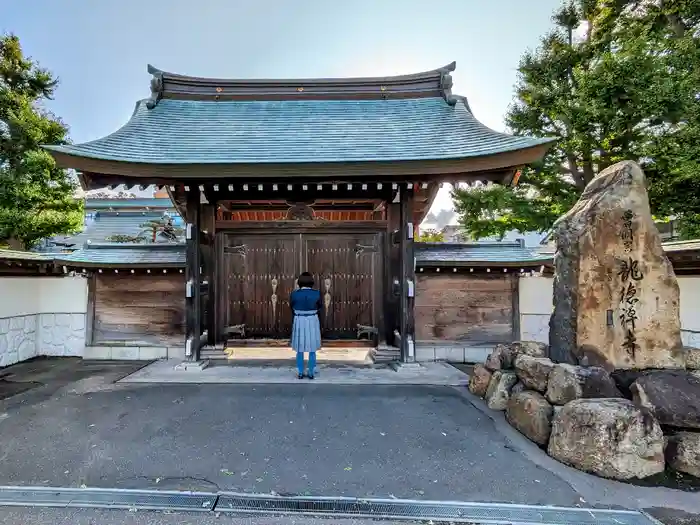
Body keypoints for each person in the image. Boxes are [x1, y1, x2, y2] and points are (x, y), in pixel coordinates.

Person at [290, 272, 322, 379]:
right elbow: (320, 306)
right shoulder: (317, 293)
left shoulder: (294, 294)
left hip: (299, 319)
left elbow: (291, 306)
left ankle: (300, 372)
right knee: (312, 348)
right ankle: (311, 372)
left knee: (300, 347)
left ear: (299, 282)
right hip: (312, 319)